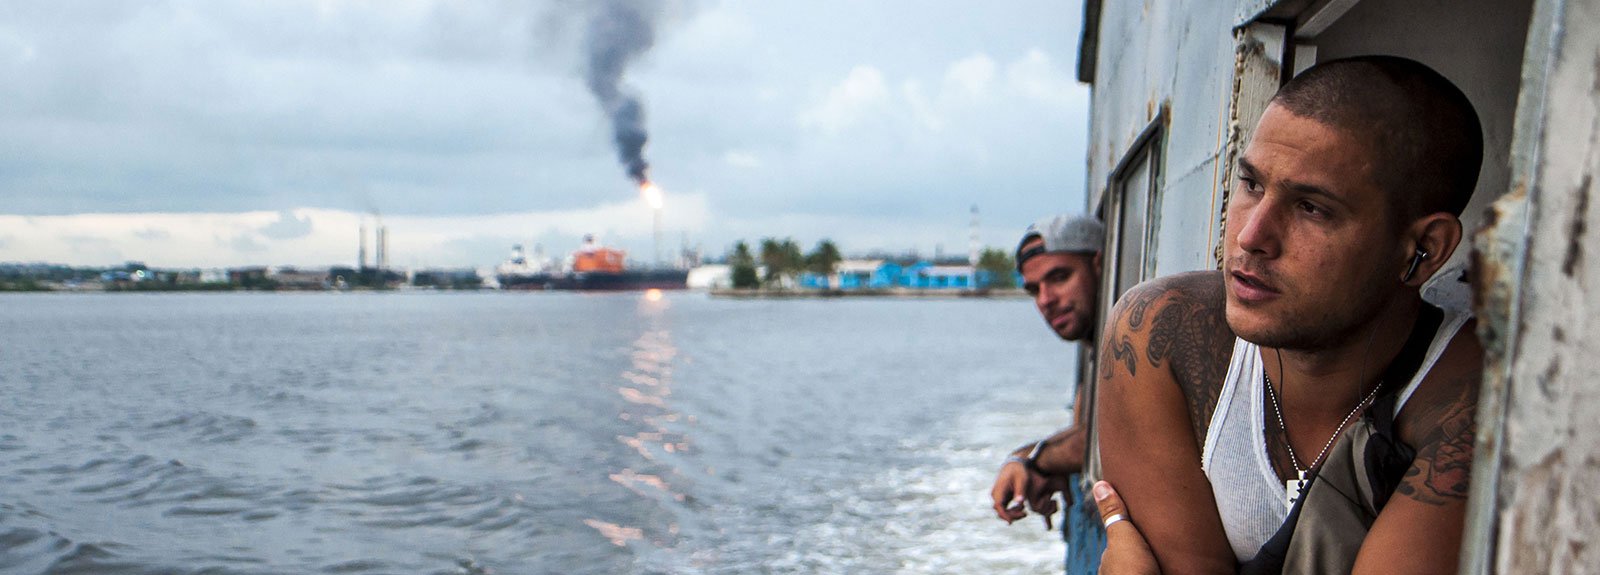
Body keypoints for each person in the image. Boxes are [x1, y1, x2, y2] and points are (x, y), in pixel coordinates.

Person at [1091, 55, 1485, 574]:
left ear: (1425, 250)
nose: (1251, 236)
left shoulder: (1470, 395)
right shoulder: (1161, 335)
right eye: (1251, 185)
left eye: (1312, 208)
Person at [987, 215, 1105, 545]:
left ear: (1100, 265)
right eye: (1034, 289)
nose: (1045, 300)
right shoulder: (1095, 351)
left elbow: (1109, 437)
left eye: (1060, 277)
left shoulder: (1134, 340)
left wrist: (1029, 459)